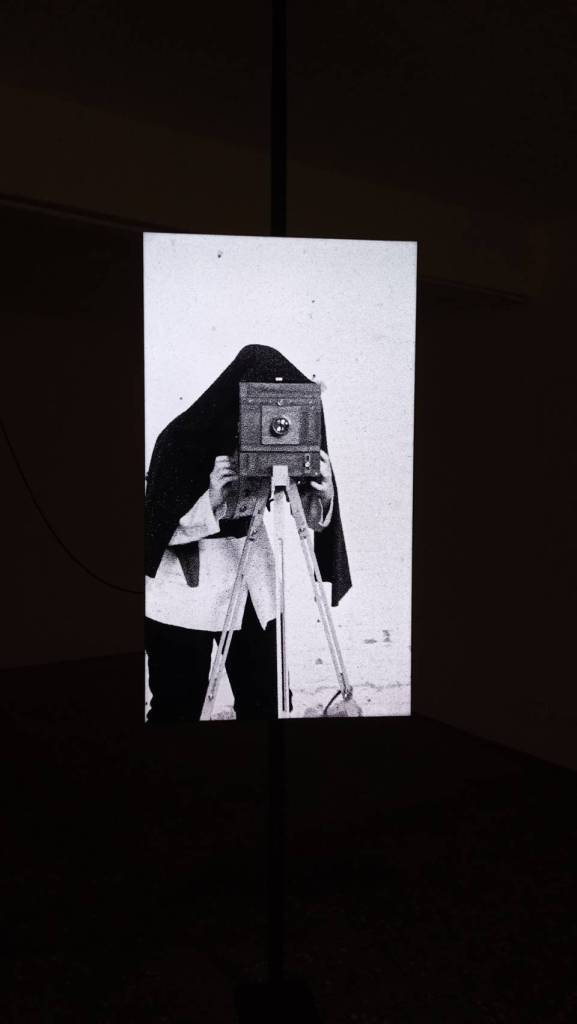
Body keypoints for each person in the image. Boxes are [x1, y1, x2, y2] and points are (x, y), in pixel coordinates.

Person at [144, 345, 351, 724]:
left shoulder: (284, 435)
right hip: (185, 594)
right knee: (178, 707)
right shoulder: (179, 439)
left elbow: (308, 515)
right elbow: (154, 531)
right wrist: (211, 499)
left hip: (252, 578)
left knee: (264, 700)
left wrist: (323, 493)